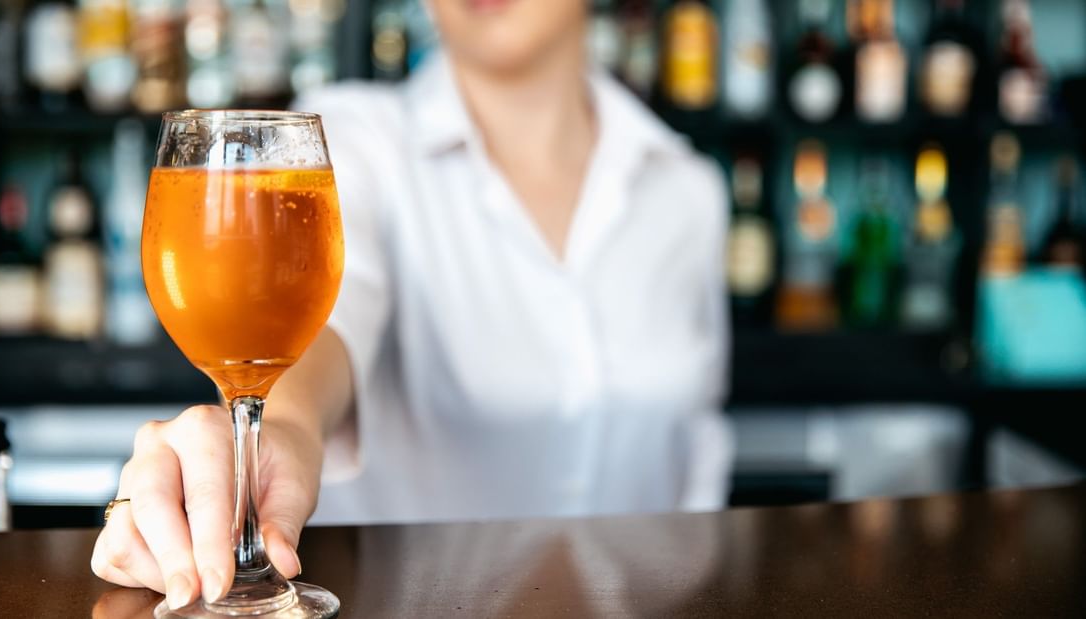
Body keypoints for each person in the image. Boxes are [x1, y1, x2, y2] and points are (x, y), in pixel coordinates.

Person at [91, 0, 733, 610]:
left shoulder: (688, 188)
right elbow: (327, 323)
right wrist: (277, 434)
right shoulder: (355, 139)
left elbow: (699, 455)